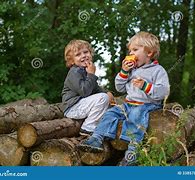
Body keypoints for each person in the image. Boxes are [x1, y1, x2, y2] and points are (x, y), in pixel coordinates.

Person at [77, 32, 170, 166]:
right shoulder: (132, 70)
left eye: (135, 50)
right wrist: (124, 72)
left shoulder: (157, 70)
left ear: (149, 53)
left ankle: (132, 153)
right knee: (110, 113)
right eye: (130, 50)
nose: (131, 53)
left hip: (147, 105)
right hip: (128, 104)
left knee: (136, 115)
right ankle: (96, 138)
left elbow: (163, 91)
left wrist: (145, 86)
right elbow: (119, 87)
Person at [61, 39, 115, 135]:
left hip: (82, 106)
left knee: (105, 99)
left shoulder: (86, 70)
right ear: (72, 61)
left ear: (91, 53)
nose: (83, 55)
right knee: (102, 98)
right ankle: (88, 128)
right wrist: (91, 75)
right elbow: (84, 92)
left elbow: (95, 88)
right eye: (78, 54)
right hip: (72, 108)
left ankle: (105, 127)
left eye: (86, 52)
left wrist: (107, 92)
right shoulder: (74, 72)